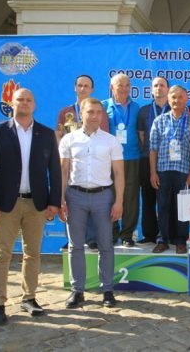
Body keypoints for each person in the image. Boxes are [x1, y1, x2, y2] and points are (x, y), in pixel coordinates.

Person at [0, 88, 61, 326]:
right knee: (1, 254)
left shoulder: (45, 134)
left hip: (36, 204)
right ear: (11, 103)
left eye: (28, 100)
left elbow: (54, 171)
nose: (24, 103)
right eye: (20, 100)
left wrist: (54, 201)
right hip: (6, 204)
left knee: (32, 253)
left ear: (34, 105)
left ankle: (29, 298)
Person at [59, 97, 124, 309]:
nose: (95, 116)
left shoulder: (110, 141)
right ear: (82, 113)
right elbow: (63, 171)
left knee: (106, 245)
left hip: (103, 197)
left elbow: (119, 174)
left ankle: (107, 290)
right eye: (90, 112)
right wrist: (60, 200)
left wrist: (119, 202)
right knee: (75, 246)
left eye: (99, 112)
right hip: (75, 196)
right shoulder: (69, 140)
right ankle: (77, 291)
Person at [55, 75, 107, 250]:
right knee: (71, 199)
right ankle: (73, 237)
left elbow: (105, 135)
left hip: (94, 162)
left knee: (93, 193)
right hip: (72, 163)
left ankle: (92, 238)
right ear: (75, 88)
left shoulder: (99, 111)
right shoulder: (65, 112)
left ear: (92, 89)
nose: (83, 89)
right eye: (80, 85)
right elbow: (59, 136)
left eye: (87, 86)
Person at [150, 85, 190, 254]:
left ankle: (181, 241)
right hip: (163, 170)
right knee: (163, 206)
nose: (176, 100)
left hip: (184, 171)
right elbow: (153, 148)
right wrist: (153, 172)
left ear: (186, 99)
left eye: (180, 97)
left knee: (183, 208)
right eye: (173, 97)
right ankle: (163, 239)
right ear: (168, 99)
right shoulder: (160, 120)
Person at [102, 73, 142, 247]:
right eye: (120, 85)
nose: (124, 88)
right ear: (112, 87)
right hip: (108, 159)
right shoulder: (103, 107)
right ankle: (111, 232)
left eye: (127, 85)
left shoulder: (137, 108)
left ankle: (127, 234)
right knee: (110, 195)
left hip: (132, 157)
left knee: (131, 196)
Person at [137, 76, 170, 244]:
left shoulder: (174, 108)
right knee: (148, 198)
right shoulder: (144, 111)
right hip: (146, 159)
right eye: (155, 86)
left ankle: (167, 234)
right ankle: (149, 234)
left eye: (162, 85)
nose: (159, 88)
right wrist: (152, 153)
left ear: (168, 89)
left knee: (167, 200)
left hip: (169, 161)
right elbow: (142, 136)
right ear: (151, 89)